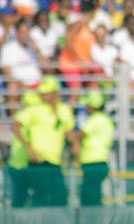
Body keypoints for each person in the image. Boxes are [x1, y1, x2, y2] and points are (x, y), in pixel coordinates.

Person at [12, 75, 75, 206]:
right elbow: (16, 125)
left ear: (55, 93)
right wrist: (29, 149)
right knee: (40, 198)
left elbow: (70, 135)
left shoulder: (64, 110)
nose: (43, 96)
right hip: (38, 161)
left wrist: (76, 144)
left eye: (47, 93)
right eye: (42, 93)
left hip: (55, 162)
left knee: (60, 197)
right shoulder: (36, 109)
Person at [69, 90, 114, 206]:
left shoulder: (95, 119)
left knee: (89, 198)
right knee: (94, 195)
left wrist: (69, 132)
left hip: (92, 162)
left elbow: (79, 135)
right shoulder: (106, 119)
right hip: (101, 162)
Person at [7, 91, 42, 207]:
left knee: (23, 198)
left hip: (23, 163)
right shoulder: (27, 115)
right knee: (21, 199)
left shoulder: (27, 116)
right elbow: (15, 127)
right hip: (21, 164)